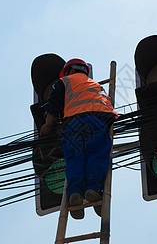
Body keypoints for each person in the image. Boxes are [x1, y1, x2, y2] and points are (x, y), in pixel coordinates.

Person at [40, 58, 117, 219]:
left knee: (75, 158)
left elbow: (53, 105)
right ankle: (94, 189)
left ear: (70, 71)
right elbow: (108, 106)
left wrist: (48, 125)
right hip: (97, 121)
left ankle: (75, 193)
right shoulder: (96, 86)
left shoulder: (64, 81)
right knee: (97, 155)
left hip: (73, 124)